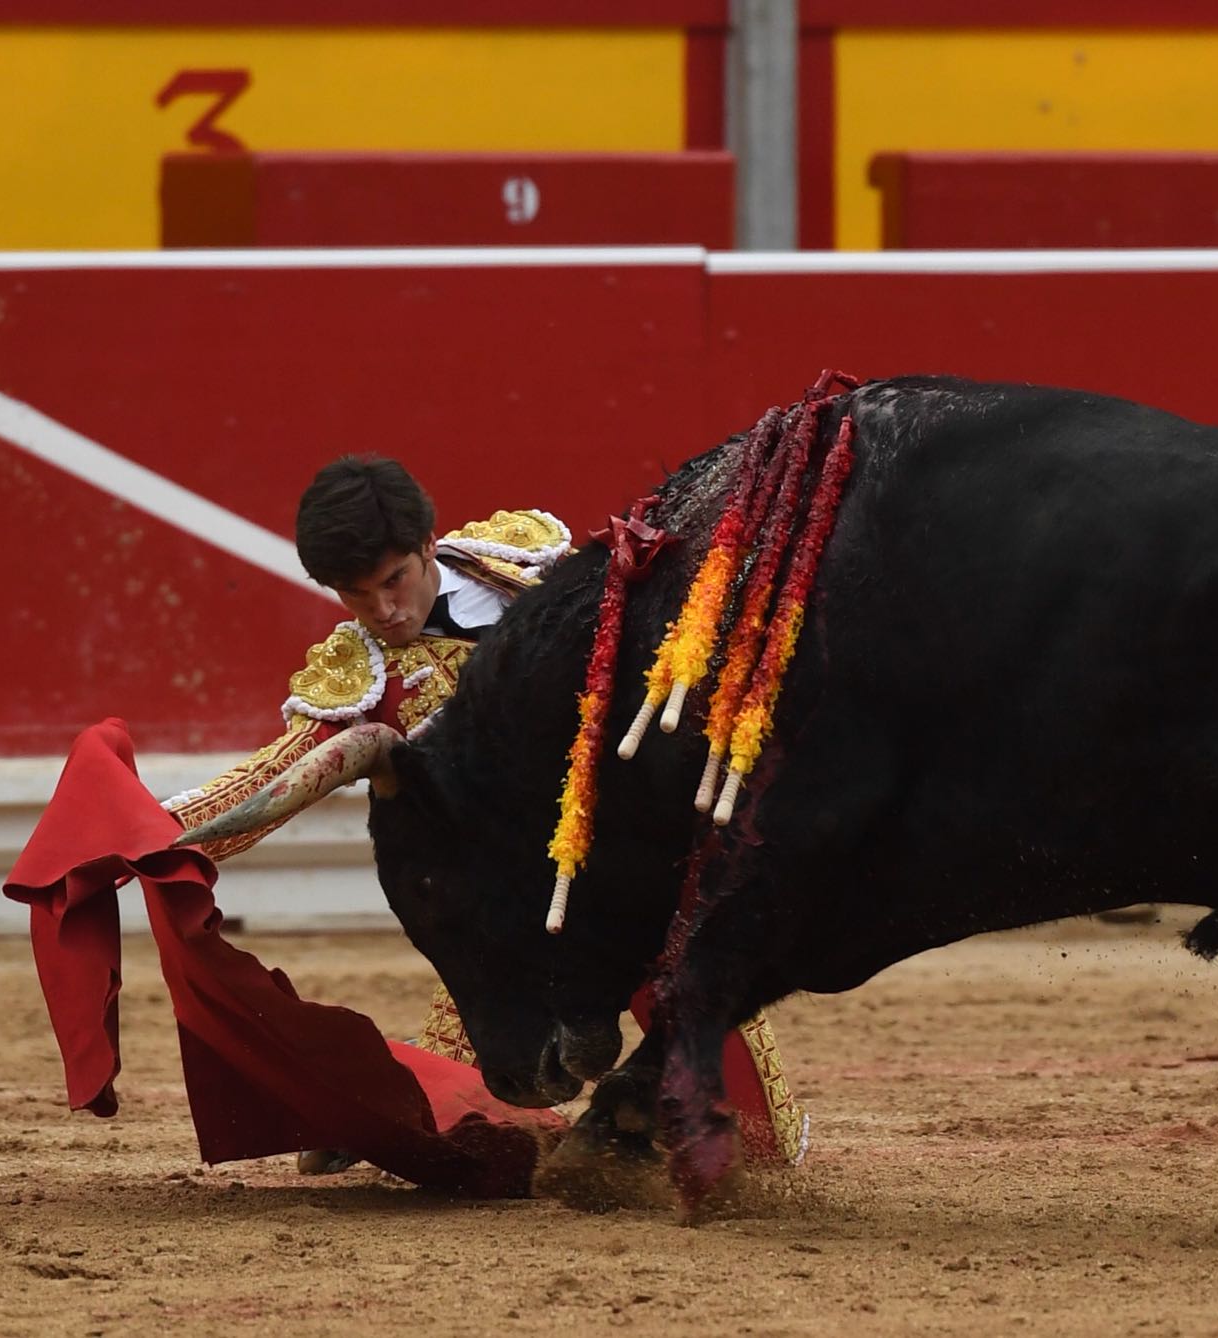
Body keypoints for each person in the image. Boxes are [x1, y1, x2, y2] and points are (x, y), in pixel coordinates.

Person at [163, 456, 809, 1173]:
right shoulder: (356, 678)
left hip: (627, 871)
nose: (384, 612)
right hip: (507, 924)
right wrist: (141, 839)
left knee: (755, 1144)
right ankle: (389, 1119)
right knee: (445, 1114)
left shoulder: (526, 568)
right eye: (356, 594)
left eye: (394, 581)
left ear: (428, 546)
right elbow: (265, 781)